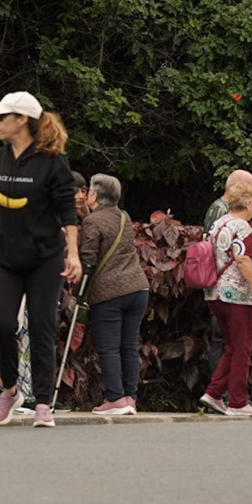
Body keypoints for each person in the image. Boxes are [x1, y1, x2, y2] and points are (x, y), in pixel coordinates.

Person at [0, 93, 80, 429]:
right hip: (7, 258)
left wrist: (74, 253)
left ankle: (43, 404)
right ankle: (10, 391)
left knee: (41, 326)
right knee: (3, 324)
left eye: (2, 116)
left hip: (45, 260)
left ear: (21, 119)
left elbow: (69, 211)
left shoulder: (53, 162)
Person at [81, 173, 149, 416]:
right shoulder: (124, 217)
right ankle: (130, 397)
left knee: (109, 347)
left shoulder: (92, 222)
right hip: (138, 288)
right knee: (129, 345)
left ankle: (114, 398)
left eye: (89, 191)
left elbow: (88, 258)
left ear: (96, 195)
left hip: (110, 291)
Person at [200, 181, 252, 417]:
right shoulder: (242, 227)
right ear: (248, 203)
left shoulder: (219, 224)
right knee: (242, 348)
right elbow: (242, 259)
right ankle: (238, 401)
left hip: (214, 292)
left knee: (232, 346)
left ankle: (214, 392)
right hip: (238, 296)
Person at [202, 170, 252, 390]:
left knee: (229, 343)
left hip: (219, 287)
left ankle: (218, 392)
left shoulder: (224, 215)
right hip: (227, 288)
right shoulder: (225, 214)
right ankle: (227, 395)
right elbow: (233, 254)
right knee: (227, 342)